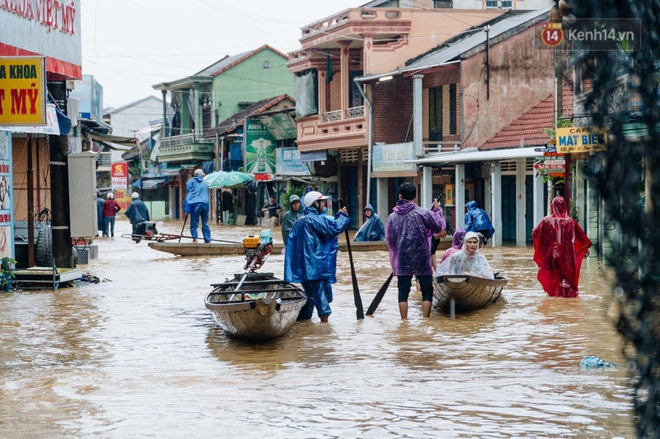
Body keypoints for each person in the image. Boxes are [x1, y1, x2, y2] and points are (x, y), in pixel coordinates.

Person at [284, 191, 349, 323]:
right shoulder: (314, 220)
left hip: (306, 268)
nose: (324, 205)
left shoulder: (300, 221)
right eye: (321, 202)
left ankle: (302, 323)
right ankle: (325, 327)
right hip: (314, 268)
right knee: (321, 297)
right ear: (315, 203)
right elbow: (333, 229)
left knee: (312, 296)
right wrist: (342, 216)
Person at [386, 182, 445, 319]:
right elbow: (438, 228)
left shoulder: (392, 217)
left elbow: (390, 239)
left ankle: (404, 322)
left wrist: (398, 253)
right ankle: (425, 320)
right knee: (427, 291)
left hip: (403, 259)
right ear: (415, 196)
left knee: (403, 292)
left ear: (400, 196)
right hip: (422, 258)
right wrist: (437, 211)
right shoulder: (424, 213)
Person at [532, 195, 592, 298]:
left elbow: (535, 233)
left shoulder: (546, 221)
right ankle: (566, 299)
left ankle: (555, 298)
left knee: (553, 279)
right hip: (567, 257)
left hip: (551, 256)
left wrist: (542, 247)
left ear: (552, 206)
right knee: (567, 279)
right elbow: (581, 238)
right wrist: (584, 250)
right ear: (565, 206)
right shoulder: (571, 222)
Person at [185, 169, 211, 243]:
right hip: (205, 204)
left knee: (194, 222)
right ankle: (208, 240)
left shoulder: (190, 182)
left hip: (195, 204)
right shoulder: (205, 183)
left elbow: (188, 192)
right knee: (205, 222)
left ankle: (195, 239)